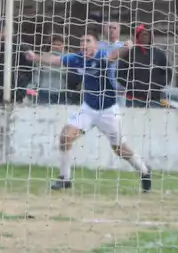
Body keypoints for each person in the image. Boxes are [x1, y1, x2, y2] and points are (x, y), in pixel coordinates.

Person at [27, 32, 152, 192]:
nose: (84, 44)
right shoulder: (77, 58)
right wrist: (35, 57)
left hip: (108, 110)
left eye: (88, 41)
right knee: (65, 137)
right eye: (81, 41)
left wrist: (126, 47)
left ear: (96, 44)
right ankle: (65, 179)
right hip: (88, 109)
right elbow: (55, 60)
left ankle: (145, 171)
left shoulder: (102, 56)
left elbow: (114, 55)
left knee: (120, 149)